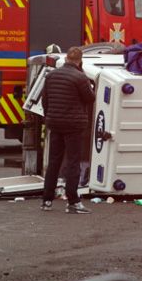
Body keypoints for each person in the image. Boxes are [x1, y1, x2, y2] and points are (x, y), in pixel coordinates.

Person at [40, 46, 95, 214]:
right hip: (73, 125)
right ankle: (73, 201)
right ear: (80, 61)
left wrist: (50, 116)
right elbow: (90, 98)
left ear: (66, 59)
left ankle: (47, 200)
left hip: (55, 123)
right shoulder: (80, 77)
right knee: (73, 163)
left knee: (54, 162)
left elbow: (44, 100)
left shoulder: (51, 76)